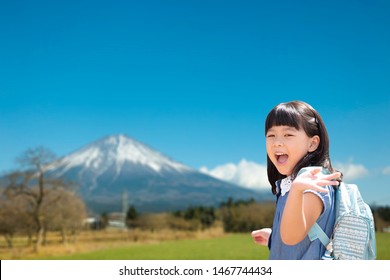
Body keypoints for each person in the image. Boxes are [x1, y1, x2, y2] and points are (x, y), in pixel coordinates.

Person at [251, 100, 341, 260]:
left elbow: (291, 237)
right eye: (271, 135)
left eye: (288, 134)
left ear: (312, 143)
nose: (277, 142)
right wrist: (274, 237)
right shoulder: (290, 184)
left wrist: (297, 190)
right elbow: (299, 236)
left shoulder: (313, 181)